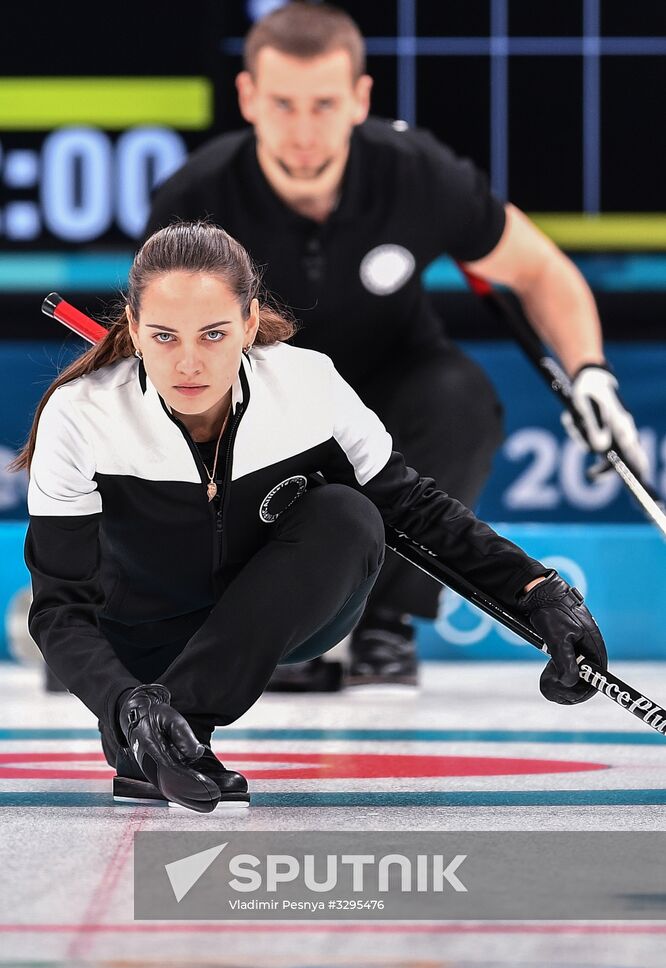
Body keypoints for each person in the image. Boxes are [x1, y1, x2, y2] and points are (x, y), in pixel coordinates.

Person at [10, 221, 607, 813]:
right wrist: (125, 706)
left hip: (284, 618)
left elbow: (414, 508)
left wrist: (537, 590)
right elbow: (61, 609)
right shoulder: (80, 416)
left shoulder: (307, 385)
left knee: (350, 514)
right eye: (165, 337)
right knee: (137, 701)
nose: (188, 363)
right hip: (143, 635)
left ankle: (181, 722)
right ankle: (159, 729)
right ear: (134, 331)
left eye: (213, 334)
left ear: (249, 326)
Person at [144, 1, 647, 693]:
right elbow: (162, 353)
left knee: (462, 397)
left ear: (359, 98)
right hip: (262, 408)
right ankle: (290, 620)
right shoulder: (194, 198)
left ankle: (386, 624)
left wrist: (591, 376)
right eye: (283, 103)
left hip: (393, 388)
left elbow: (538, 270)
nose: (302, 129)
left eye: (323, 103)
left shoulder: (418, 173)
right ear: (249, 97)